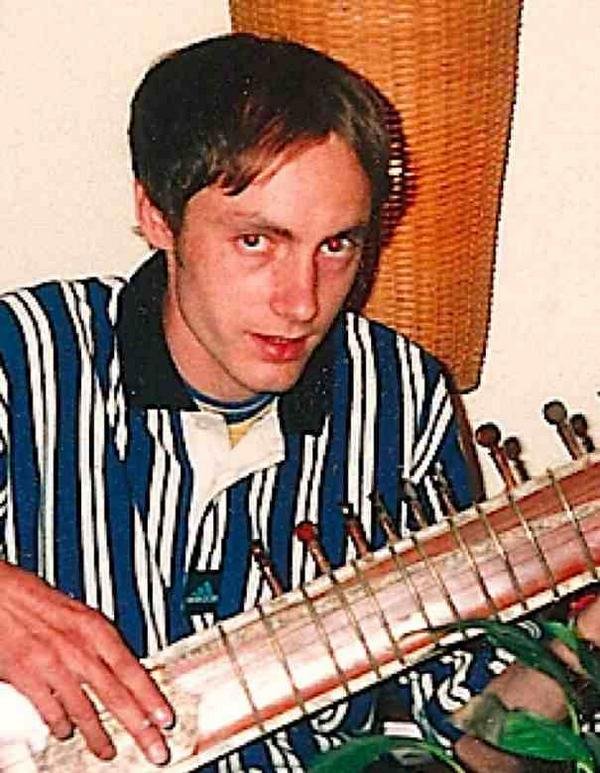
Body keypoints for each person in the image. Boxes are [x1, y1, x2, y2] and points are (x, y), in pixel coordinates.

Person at [0, 32, 596, 773]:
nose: (302, 301)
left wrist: (584, 646)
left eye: (336, 245)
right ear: (157, 216)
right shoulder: (25, 357)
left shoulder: (402, 397)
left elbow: (469, 740)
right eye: (257, 242)